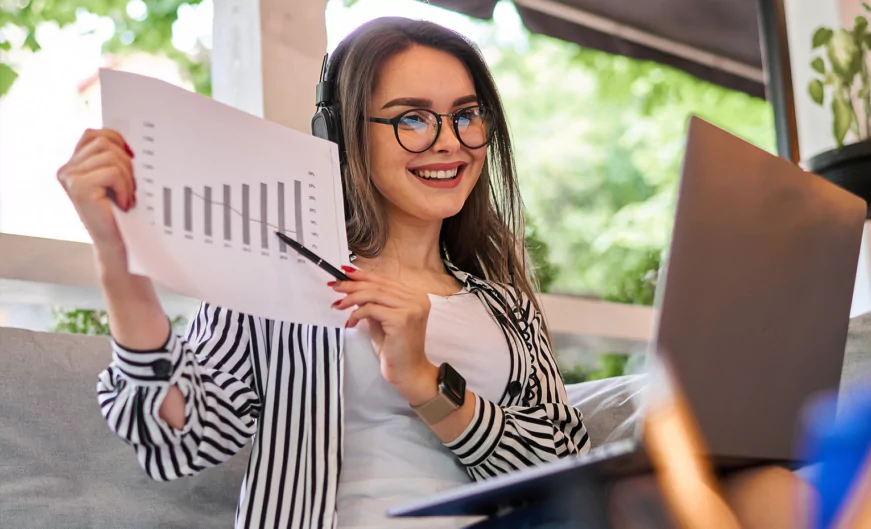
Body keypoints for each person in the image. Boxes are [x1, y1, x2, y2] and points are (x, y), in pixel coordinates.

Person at [58, 17, 590, 529]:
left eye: (467, 115)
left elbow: (568, 473)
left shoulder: (507, 308)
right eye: (412, 118)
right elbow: (178, 438)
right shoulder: (275, 277)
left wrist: (427, 385)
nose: (450, 141)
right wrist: (116, 254)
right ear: (337, 132)